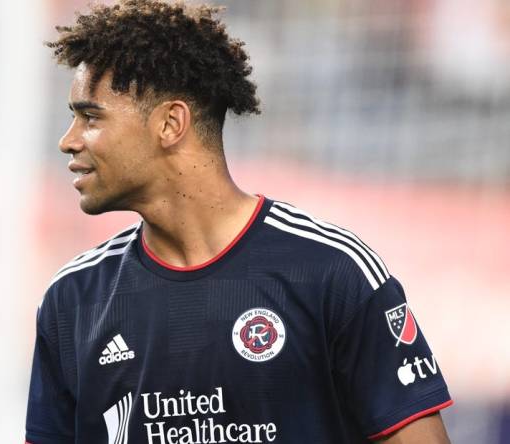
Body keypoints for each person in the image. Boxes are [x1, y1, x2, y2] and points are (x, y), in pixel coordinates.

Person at [26, 1, 452, 443]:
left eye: (90, 117)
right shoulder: (72, 300)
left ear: (171, 123)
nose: (67, 141)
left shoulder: (332, 271)